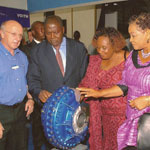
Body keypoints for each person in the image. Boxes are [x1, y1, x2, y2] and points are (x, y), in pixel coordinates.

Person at [78, 13, 150, 150]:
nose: (130, 40)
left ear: (147, 33)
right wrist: (99, 93)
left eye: (134, 35)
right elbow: (124, 85)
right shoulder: (133, 56)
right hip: (134, 125)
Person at [27, 15, 88, 148]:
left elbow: (86, 76)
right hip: (52, 113)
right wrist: (38, 92)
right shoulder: (37, 51)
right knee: (53, 145)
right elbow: (32, 79)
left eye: (56, 32)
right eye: (48, 33)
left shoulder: (78, 48)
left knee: (77, 143)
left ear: (63, 29)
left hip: (76, 108)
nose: (53, 36)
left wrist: (83, 93)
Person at [79, 27, 129, 150]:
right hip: (103, 115)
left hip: (124, 116)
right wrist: (76, 94)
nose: (100, 51)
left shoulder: (128, 59)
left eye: (104, 48)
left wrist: (99, 93)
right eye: (98, 47)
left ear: (115, 44)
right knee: (108, 145)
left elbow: (130, 85)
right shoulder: (95, 60)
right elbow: (86, 83)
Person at [0, 20, 34, 150]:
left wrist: (30, 99)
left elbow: (24, 83)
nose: (18, 38)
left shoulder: (22, 56)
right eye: (13, 34)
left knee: (20, 146)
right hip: (2, 112)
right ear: (2, 33)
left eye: (20, 35)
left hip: (20, 112)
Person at [23, 21, 46, 150]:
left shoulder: (51, 46)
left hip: (50, 91)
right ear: (33, 32)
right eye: (41, 29)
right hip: (35, 92)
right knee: (37, 124)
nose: (44, 31)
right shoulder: (26, 49)